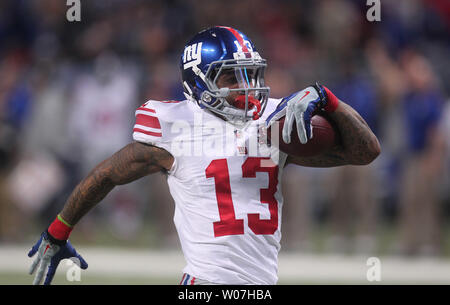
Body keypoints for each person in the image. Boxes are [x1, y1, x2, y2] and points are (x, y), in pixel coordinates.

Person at [27, 26, 380, 285]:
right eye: (231, 77)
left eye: (250, 74)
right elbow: (107, 174)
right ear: (199, 82)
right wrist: (58, 231)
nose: (246, 86)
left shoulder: (274, 121)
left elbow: (366, 152)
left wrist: (327, 98)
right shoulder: (176, 126)